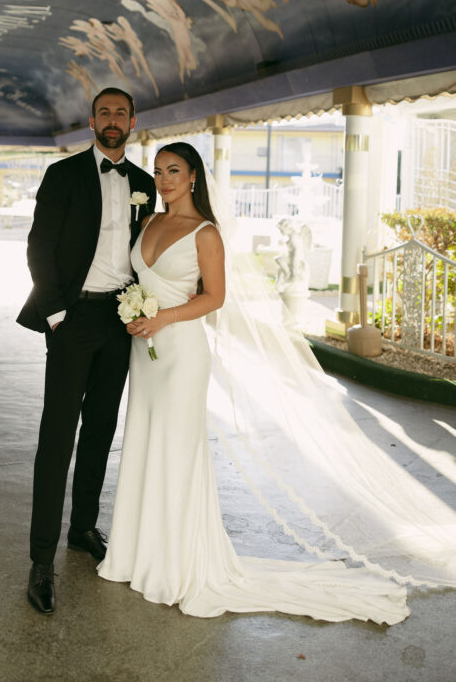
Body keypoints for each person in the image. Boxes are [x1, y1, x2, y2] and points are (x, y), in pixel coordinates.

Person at [97, 141, 418, 624]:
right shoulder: (148, 222)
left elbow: (216, 298)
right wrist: (137, 315)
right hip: (145, 353)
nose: (163, 179)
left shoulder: (206, 234)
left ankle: (176, 562)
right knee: (143, 442)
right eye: (159, 171)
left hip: (181, 352)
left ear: (193, 178)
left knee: (177, 450)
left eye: (174, 171)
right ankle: (135, 553)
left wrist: (163, 317)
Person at [17, 87, 156, 615]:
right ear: (91, 121)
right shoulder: (64, 175)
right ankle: (39, 562)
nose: (113, 120)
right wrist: (56, 314)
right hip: (71, 318)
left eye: (122, 113)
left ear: (133, 122)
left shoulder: (144, 184)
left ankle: (82, 529)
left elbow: (148, 253)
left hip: (119, 321)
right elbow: (39, 247)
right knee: (57, 436)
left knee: (101, 429)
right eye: (105, 113)